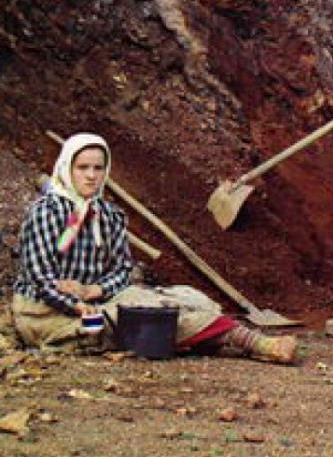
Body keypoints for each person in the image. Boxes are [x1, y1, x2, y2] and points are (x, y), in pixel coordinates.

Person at [12, 133, 298, 363]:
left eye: (98, 168)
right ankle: (246, 340)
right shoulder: (46, 213)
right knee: (142, 316)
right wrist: (78, 304)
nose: (91, 176)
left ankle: (205, 332)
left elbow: (122, 270)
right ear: (67, 169)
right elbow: (41, 280)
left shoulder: (107, 216)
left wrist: (94, 290)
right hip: (47, 315)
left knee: (187, 297)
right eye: (82, 168)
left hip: (93, 300)